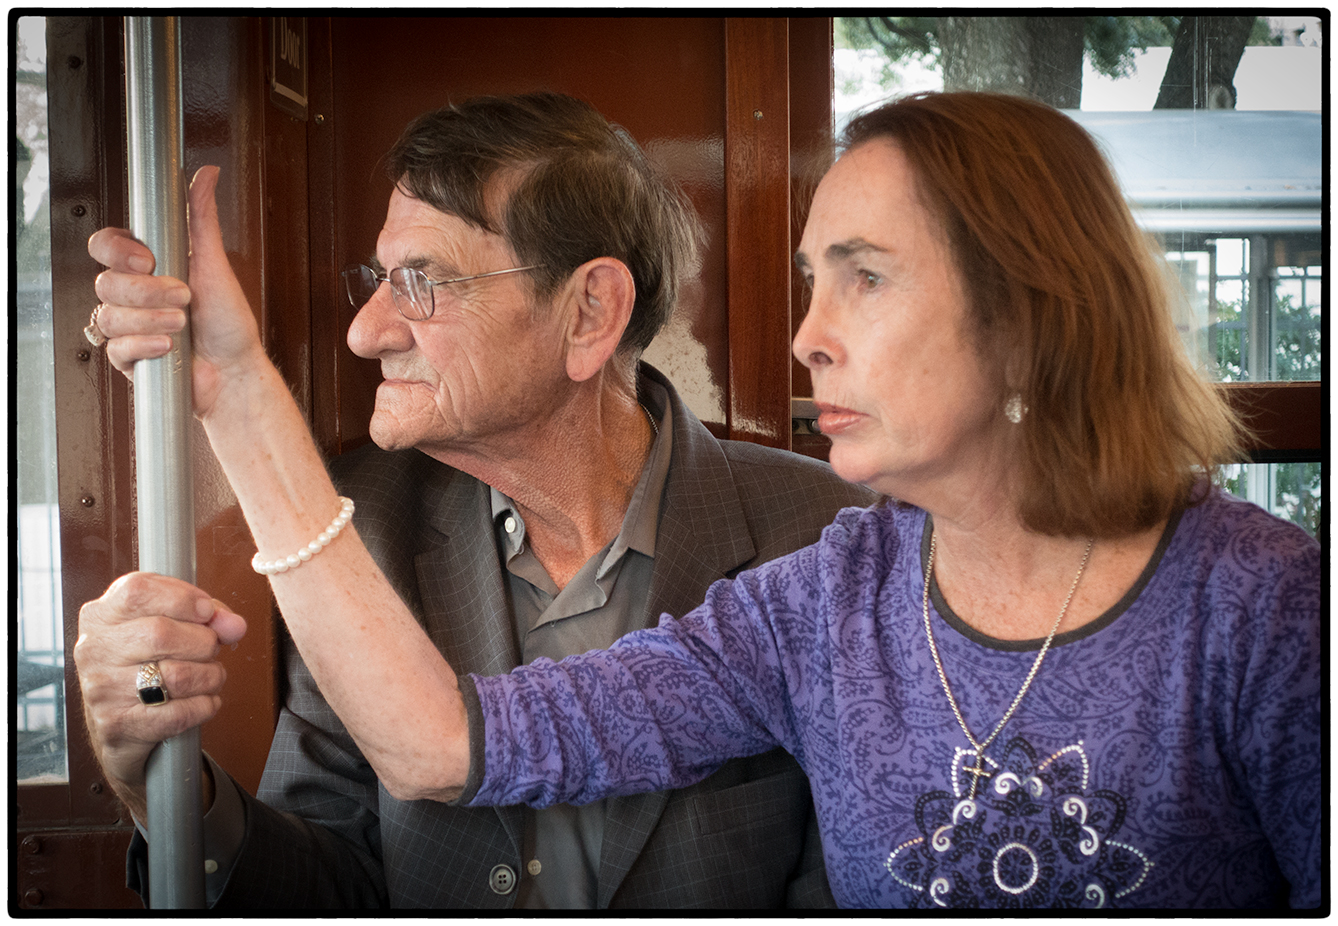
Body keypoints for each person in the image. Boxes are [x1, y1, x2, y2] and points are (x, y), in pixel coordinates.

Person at [81, 89, 1320, 909]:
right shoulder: (824, 597)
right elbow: (440, 745)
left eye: (866, 279)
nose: (806, 339)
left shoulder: (1265, 607)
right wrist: (234, 392)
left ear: (1027, 314)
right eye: (809, 280)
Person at [75, 92, 875, 909]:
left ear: (590, 312)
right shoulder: (362, 530)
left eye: (421, 282)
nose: (365, 332)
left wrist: (241, 392)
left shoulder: (822, 539)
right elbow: (328, 886)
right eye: (380, 280)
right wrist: (161, 788)